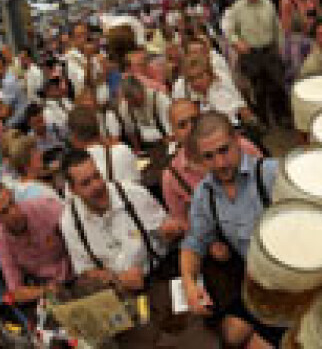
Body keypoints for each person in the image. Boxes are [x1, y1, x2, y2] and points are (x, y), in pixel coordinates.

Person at [180, 112, 280, 348]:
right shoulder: (205, 194)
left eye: (224, 150)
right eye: (209, 157)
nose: (220, 164)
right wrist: (189, 284)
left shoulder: (271, 173)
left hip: (291, 284)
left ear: (237, 140)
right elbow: (194, 243)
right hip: (254, 283)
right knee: (229, 335)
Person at [60, 149, 186, 292]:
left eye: (97, 176)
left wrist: (170, 231)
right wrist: (117, 280)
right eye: (86, 183)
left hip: (158, 276)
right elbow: (86, 271)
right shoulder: (70, 222)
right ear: (73, 190)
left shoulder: (133, 193)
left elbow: (165, 231)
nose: (97, 186)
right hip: (116, 290)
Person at [224, 0, 290, 127]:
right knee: (258, 90)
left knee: (277, 85)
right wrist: (236, 42)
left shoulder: (267, 4)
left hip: (269, 51)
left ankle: (281, 117)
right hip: (251, 54)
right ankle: (264, 121)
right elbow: (229, 31)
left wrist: (281, 47)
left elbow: (277, 27)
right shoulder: (237, 8)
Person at [0, 188, 72, 304]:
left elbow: (82, 233)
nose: (13, 213)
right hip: (47, 289)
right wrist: (44, 291)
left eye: (12, 203)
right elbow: (16, 292)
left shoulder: (46, 207)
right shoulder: (3, 241)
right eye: (4, 212)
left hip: (77, 271)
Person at [68, 106, 140, 184]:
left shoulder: (74, 169)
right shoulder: (122, 148)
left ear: (74, 135)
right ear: (98, 128)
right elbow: (138, 177)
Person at [114, 76, 172, 152]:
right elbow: (131, 133)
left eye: (137, 100)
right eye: (132, 102)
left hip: (165, 141)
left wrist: (169, 149)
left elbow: (171, 130)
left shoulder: (160, 99)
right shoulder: (124, 107)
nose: (135, 104)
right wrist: (138, 151)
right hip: (144, 145)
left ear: (142, 89)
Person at [6, 135, 61, 202]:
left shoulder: (17, 188)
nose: (41, 153)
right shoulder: (41, 192)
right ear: (26, 163)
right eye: (35, 152)